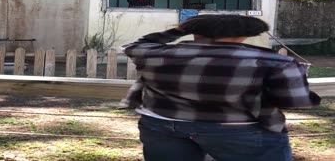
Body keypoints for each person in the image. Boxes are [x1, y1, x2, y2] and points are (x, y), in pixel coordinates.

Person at [119, 14, 320, 161]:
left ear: (192, 32)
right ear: (244, 35)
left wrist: (179, 30)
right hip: (241, 130)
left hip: (161, 125)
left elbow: (138, 43)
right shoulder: (274, 62)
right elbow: (295, 102)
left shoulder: (152, 53)